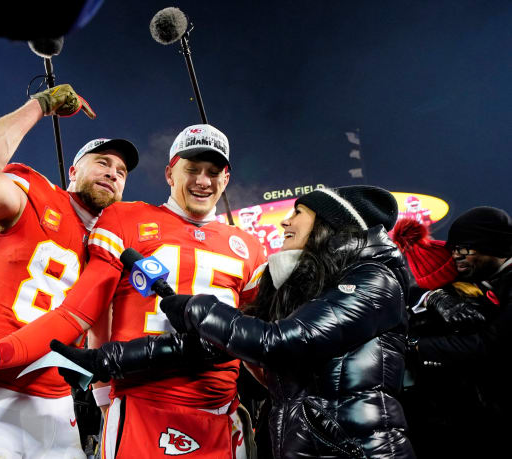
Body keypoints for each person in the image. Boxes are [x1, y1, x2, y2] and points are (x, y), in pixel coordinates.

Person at [0, 123, 267, 459]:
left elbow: (258, 342)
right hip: (141, 408)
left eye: (213, 172)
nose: (202, 180)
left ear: (226, 179)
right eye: (192, 169)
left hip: (222, 415)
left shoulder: (251, 249)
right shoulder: (124, 218)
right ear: (170, 174)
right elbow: (80, 313)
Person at [151, 186, 415, 458]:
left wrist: (197, 308)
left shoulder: (374, 279)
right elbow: (249, 353)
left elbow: (279, 341)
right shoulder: (311, 286)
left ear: (331, 223)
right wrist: (109, 359)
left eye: (298, 212)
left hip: (355, 450)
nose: (284, 221)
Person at [0, 83, 139, 459]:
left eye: (121, 171)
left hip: (57, 407)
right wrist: (39, 106)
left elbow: (100, 331)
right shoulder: (37, 193)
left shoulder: (112, 241)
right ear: (73, 170)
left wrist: (105, 410)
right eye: (102, 162)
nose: (113, 173)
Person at [403, 206, 511, 458]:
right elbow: (427, 286)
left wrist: (414, 345)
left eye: (464, 248)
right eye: (452, 249)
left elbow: (487, 344)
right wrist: (435, 296)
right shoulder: (482, 282)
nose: (456, 256)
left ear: (493, 245)